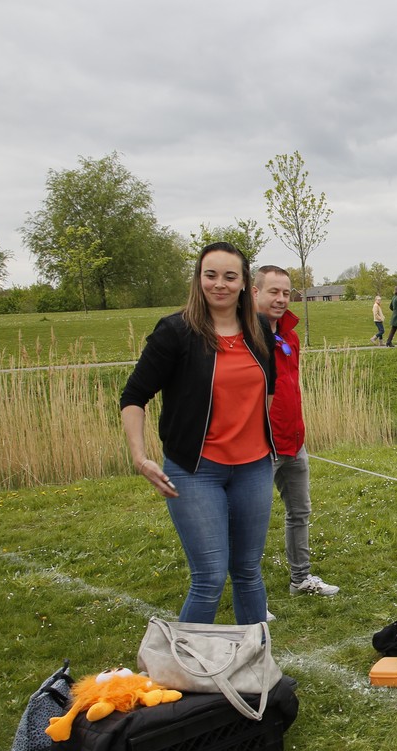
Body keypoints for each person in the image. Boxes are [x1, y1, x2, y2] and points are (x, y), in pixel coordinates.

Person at [119, 241, 275, 625]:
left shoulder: (259, 330)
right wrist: (140, 457)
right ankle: (186, 661)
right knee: (209, 577)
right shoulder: (175, 332)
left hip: (254, 469)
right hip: (195, 471)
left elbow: (267, 391)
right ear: (198, 279)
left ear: (244, 284)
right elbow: (134, 396)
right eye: (210, 275)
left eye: (229, 276)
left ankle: (254, 656)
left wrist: (259, 436)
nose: (219, 284)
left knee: (248, 572)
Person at [252, 265, 341, 600]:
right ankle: (250, 593)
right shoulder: (245, 336)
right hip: (260, 446)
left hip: (294, 442)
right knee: (252, 521)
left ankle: (301, 579)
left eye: (286, 293)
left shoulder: (290, 336)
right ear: (255, 292)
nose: (281, 299)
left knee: (300, 513)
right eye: (273, 291)